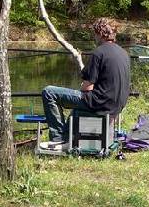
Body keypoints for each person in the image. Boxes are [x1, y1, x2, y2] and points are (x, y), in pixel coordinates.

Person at [39, 18, 131, 151]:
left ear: (99, 33)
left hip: (100, 103)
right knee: (76, 106)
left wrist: (80, 90)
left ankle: (58, 139)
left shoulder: (99, 52)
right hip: (116, 105)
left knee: (49, 92)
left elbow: (87, 87)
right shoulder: (123, 53)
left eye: (94, 34)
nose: (94, 37)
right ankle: (68, 136)